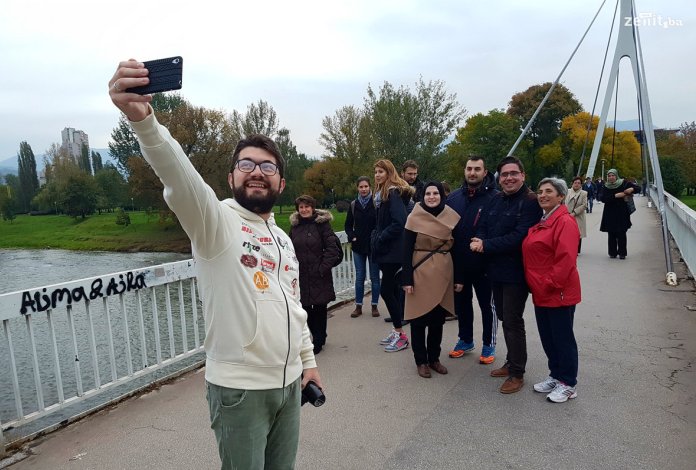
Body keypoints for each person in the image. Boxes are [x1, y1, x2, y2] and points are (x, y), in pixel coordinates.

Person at [109, 60, 322, 470]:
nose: (256, 173)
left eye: (267, 167)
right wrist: (145, 123)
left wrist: (308, 364)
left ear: (280, 183)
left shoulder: (282, 238)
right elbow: (181, 178)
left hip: (290, 384)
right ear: (230, 179)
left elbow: (293, 307)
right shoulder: (215, 223)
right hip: (240, 391)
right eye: (246, 164)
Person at [470, 156, 542, 394]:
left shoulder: (530, 202)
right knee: (502, 316)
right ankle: (511, 361)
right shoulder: (496, 199)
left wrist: (486, 245)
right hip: (494, 271)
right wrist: (480, 239)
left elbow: (520, 237)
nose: (509, 178)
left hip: (515, 273)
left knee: (512, 320)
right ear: (499, 178)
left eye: (514, 173)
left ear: (523, 175)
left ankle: (517, 372)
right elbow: (482, 225)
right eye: (505, 174)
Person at [523, 177, 581, 403]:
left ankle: (568, 382)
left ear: (560, 196)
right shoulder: (544, 220)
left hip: (558, 291)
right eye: (540, 191)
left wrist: (548, 284)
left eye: (549, 191)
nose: (542, 195)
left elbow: (566, 260)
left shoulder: (564, 222)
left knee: (563, 338)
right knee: (548, 336)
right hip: (542, 290)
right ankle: (556, 375)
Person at [401, 182, 461, 378]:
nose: (432, 196)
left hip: (444, 272)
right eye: (428, 193)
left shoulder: (451, 216)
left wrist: (459, 277)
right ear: (423, 195)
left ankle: (434, 358)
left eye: (436, 193)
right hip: (420, 272)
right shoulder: (414, 217)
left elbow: (458, 249)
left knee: (437, 320)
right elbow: (406, 249)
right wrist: (407, 279)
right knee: (418, 320)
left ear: (442, 195)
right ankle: (421, 361)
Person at [446, 156, 499, 364]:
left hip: (485, 264)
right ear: (464, 171)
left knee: (488, 306)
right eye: (469, 168)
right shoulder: (454, 198)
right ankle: (465, 339)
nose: (472, 173)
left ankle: (489, 343)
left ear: (485, 172)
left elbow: (498, 229)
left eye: (477, 169)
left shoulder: (495, 198)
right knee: (462, 304)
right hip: (459, 263)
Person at [289, 195, 342, 354]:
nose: (304, 210)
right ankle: (315, 335)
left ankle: (319, 339)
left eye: (307, 207)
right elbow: (289, 248)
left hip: (319, 273)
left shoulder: (322, 225)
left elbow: (332, 249)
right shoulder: (295, 226)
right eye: (301, 207)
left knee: (319, 306)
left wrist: (322, 268)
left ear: (312, 208)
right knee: (305, 307)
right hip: (301, 274)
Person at [371, 159, 414, 352]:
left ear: (389, 173)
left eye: (381, 172)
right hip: (387, 251)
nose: (378, 175)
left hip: (393, 252)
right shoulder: (382, 195)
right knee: (390, 291)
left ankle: (401, 335)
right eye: (376, 172)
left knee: (386, 291)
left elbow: (400, 222)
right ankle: (397, 331)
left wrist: (381, 237)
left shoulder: (393, 193)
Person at [344, 176, 381, 318]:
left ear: (370, 187)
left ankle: (374, 306)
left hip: (373, 245)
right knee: (360, 276)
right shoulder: (354, 205)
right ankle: (358, 306)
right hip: (358, 245)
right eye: (361, 187)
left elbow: (380, 223)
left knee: (375, 277)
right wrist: (351, 235)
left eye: (366, 186)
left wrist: (377, 237)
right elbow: (348, 225)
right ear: (357, 188)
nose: (364, 189)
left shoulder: (376, 203)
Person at [600, 169, 640, 259]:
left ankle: (622, 253)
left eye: (612, 175)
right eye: (609, 176)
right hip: (610, 213)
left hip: (622, 212)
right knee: (611, 234)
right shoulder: (605, 186)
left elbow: (638, 188)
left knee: (622, 233)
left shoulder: (624, 183)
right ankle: (612, 253)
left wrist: (632, 189)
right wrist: (615, 196)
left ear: (616, 176)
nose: (611, 177)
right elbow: (602, 198)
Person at [565, 176, 588, 254]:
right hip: (567, 215)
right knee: (568, 232)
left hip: (578, 216)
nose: (577, 184)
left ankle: (576, 249)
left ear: (581, 184)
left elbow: (584, 205)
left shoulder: (584, 193)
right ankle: (568, 248)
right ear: (572, 183)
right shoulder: (567, 192)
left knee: (577, 233)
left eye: (579, 183)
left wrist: (574, 213)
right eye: (575, 183)